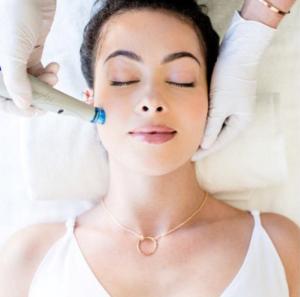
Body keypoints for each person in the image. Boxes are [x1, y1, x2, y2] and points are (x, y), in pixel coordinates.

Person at [0, 0, 299, 297]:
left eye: (181, 80)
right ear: (88, 100)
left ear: (212, 97)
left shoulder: (280, 246)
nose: (152, 99)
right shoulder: (30, 259)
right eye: (123, 79)